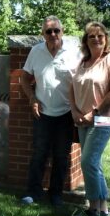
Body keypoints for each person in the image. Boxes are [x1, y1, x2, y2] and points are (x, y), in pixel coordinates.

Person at [19, 15, 81, 206]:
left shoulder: (74, 52)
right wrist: (32, 98)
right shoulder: (36, 52)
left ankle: (56, 195)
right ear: (43, 33)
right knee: (39, 154)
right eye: (48, 31)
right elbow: (24, 79)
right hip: (42, 113)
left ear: (62, 31)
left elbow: (83, 82)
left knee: (61, 156)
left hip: (66, 114)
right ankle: (33, 192)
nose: (53, 34)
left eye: (56, 30)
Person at [69, 22, 110, 216]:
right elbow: (72, 87)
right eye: (91, 36)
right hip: (82, 120)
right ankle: (103, 210)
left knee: (88, 162)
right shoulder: (82, 62)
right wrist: (75, 111)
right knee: (94, 163)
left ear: (106, 38)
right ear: (86, 40)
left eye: (100, 35)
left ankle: (93, 209)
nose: (96, 39)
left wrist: (94, 113)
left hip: (103, 119)